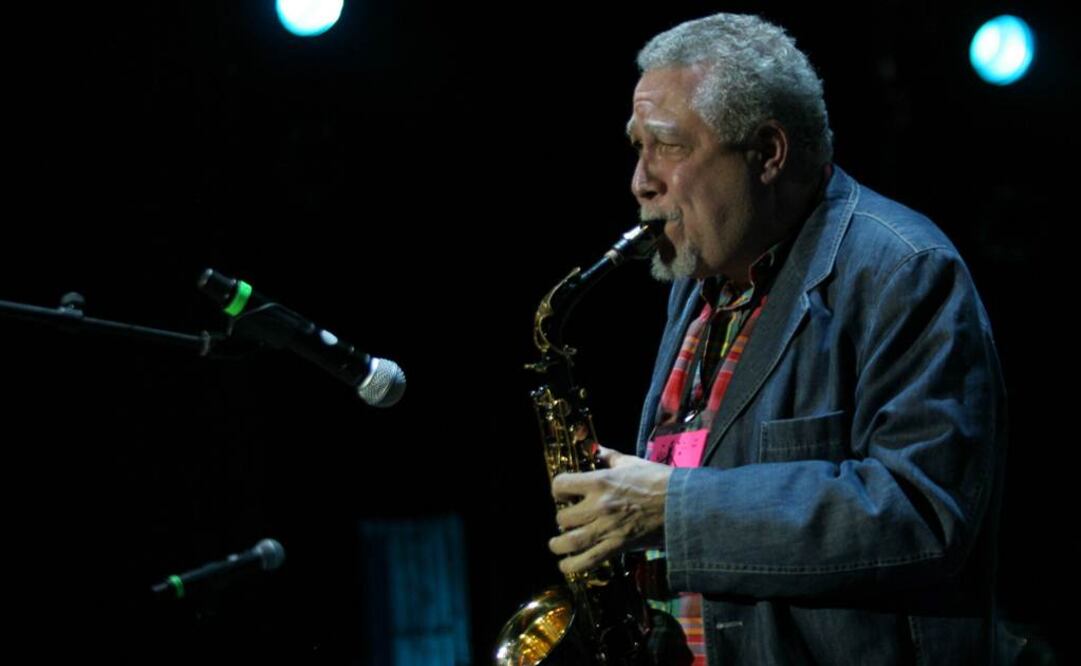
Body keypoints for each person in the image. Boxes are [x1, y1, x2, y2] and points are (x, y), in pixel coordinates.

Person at [547, 13, 1010, 665]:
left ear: (766, 152)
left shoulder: (902, 270)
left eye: (667, 146)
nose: (639, 182)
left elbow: (921, 514)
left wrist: (671, 508)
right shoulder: (699, 281)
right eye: (635, 147)